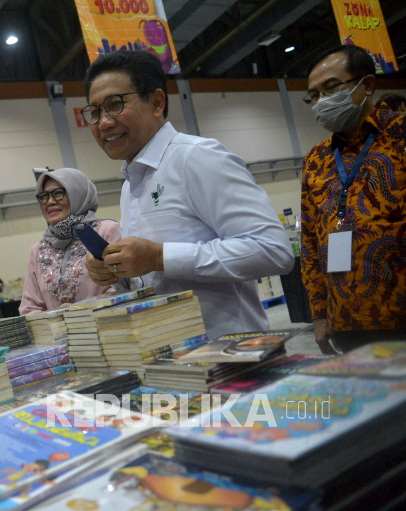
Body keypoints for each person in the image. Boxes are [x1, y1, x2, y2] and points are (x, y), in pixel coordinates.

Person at [81, 51, 294, 339]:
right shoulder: (130, 185)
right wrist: (117, 270)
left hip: (232, 357)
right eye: (94, 112)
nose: (103, 122)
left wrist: (160, 256)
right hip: (175, 360)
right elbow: (153, 278)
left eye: (115, 105)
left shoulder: (198, 157)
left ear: (157, 102)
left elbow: (273, 250)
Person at [300, 45, 405, 354]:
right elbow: (308, 241)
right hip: (347, 325)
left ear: (367, 85)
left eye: (331, 87)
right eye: (314, 95)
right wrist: (319, 314)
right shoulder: (316, 159)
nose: (321, 101)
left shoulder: (400, 135)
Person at [19, 168, 123, 314]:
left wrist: (81, 310)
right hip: (59, 335)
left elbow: (123, 288)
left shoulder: (107, 231)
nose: (49, 202)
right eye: (44, 196)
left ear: (78, 194)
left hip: (108, 329)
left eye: (58, 193)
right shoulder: (36, 251)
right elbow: (29, 308)